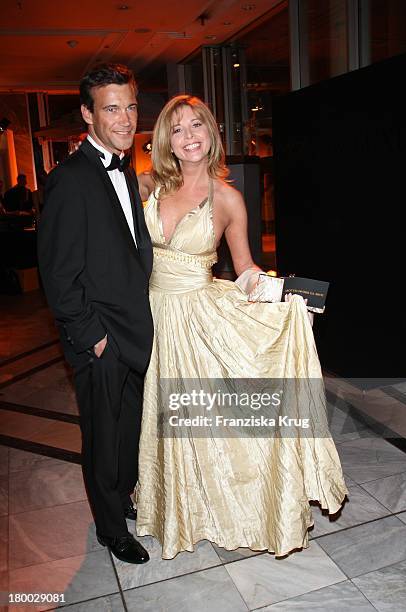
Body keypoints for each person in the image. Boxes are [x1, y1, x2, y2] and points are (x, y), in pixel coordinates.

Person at [135, 95, 347, 559]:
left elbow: (246, 268)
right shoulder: (147, 187)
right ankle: (178, 509)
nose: (189, 136)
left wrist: (285, 296)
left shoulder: (227, 198)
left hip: (199, 317)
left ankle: (231, 506)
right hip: (151, 314)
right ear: (165, 139)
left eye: (197, 126)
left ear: (211, 134)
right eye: (178, 128)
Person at [38, 63, 153, 565]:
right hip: (101, 337)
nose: (125, 118)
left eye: (129, 106)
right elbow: (59, 274)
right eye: (112, 108)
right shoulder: (69, 179)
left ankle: (121, 497)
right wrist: (93, 338)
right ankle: (111, 529)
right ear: (87, 114)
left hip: (132, 331)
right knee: (103, 436)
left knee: (127, 429)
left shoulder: (124, 167)